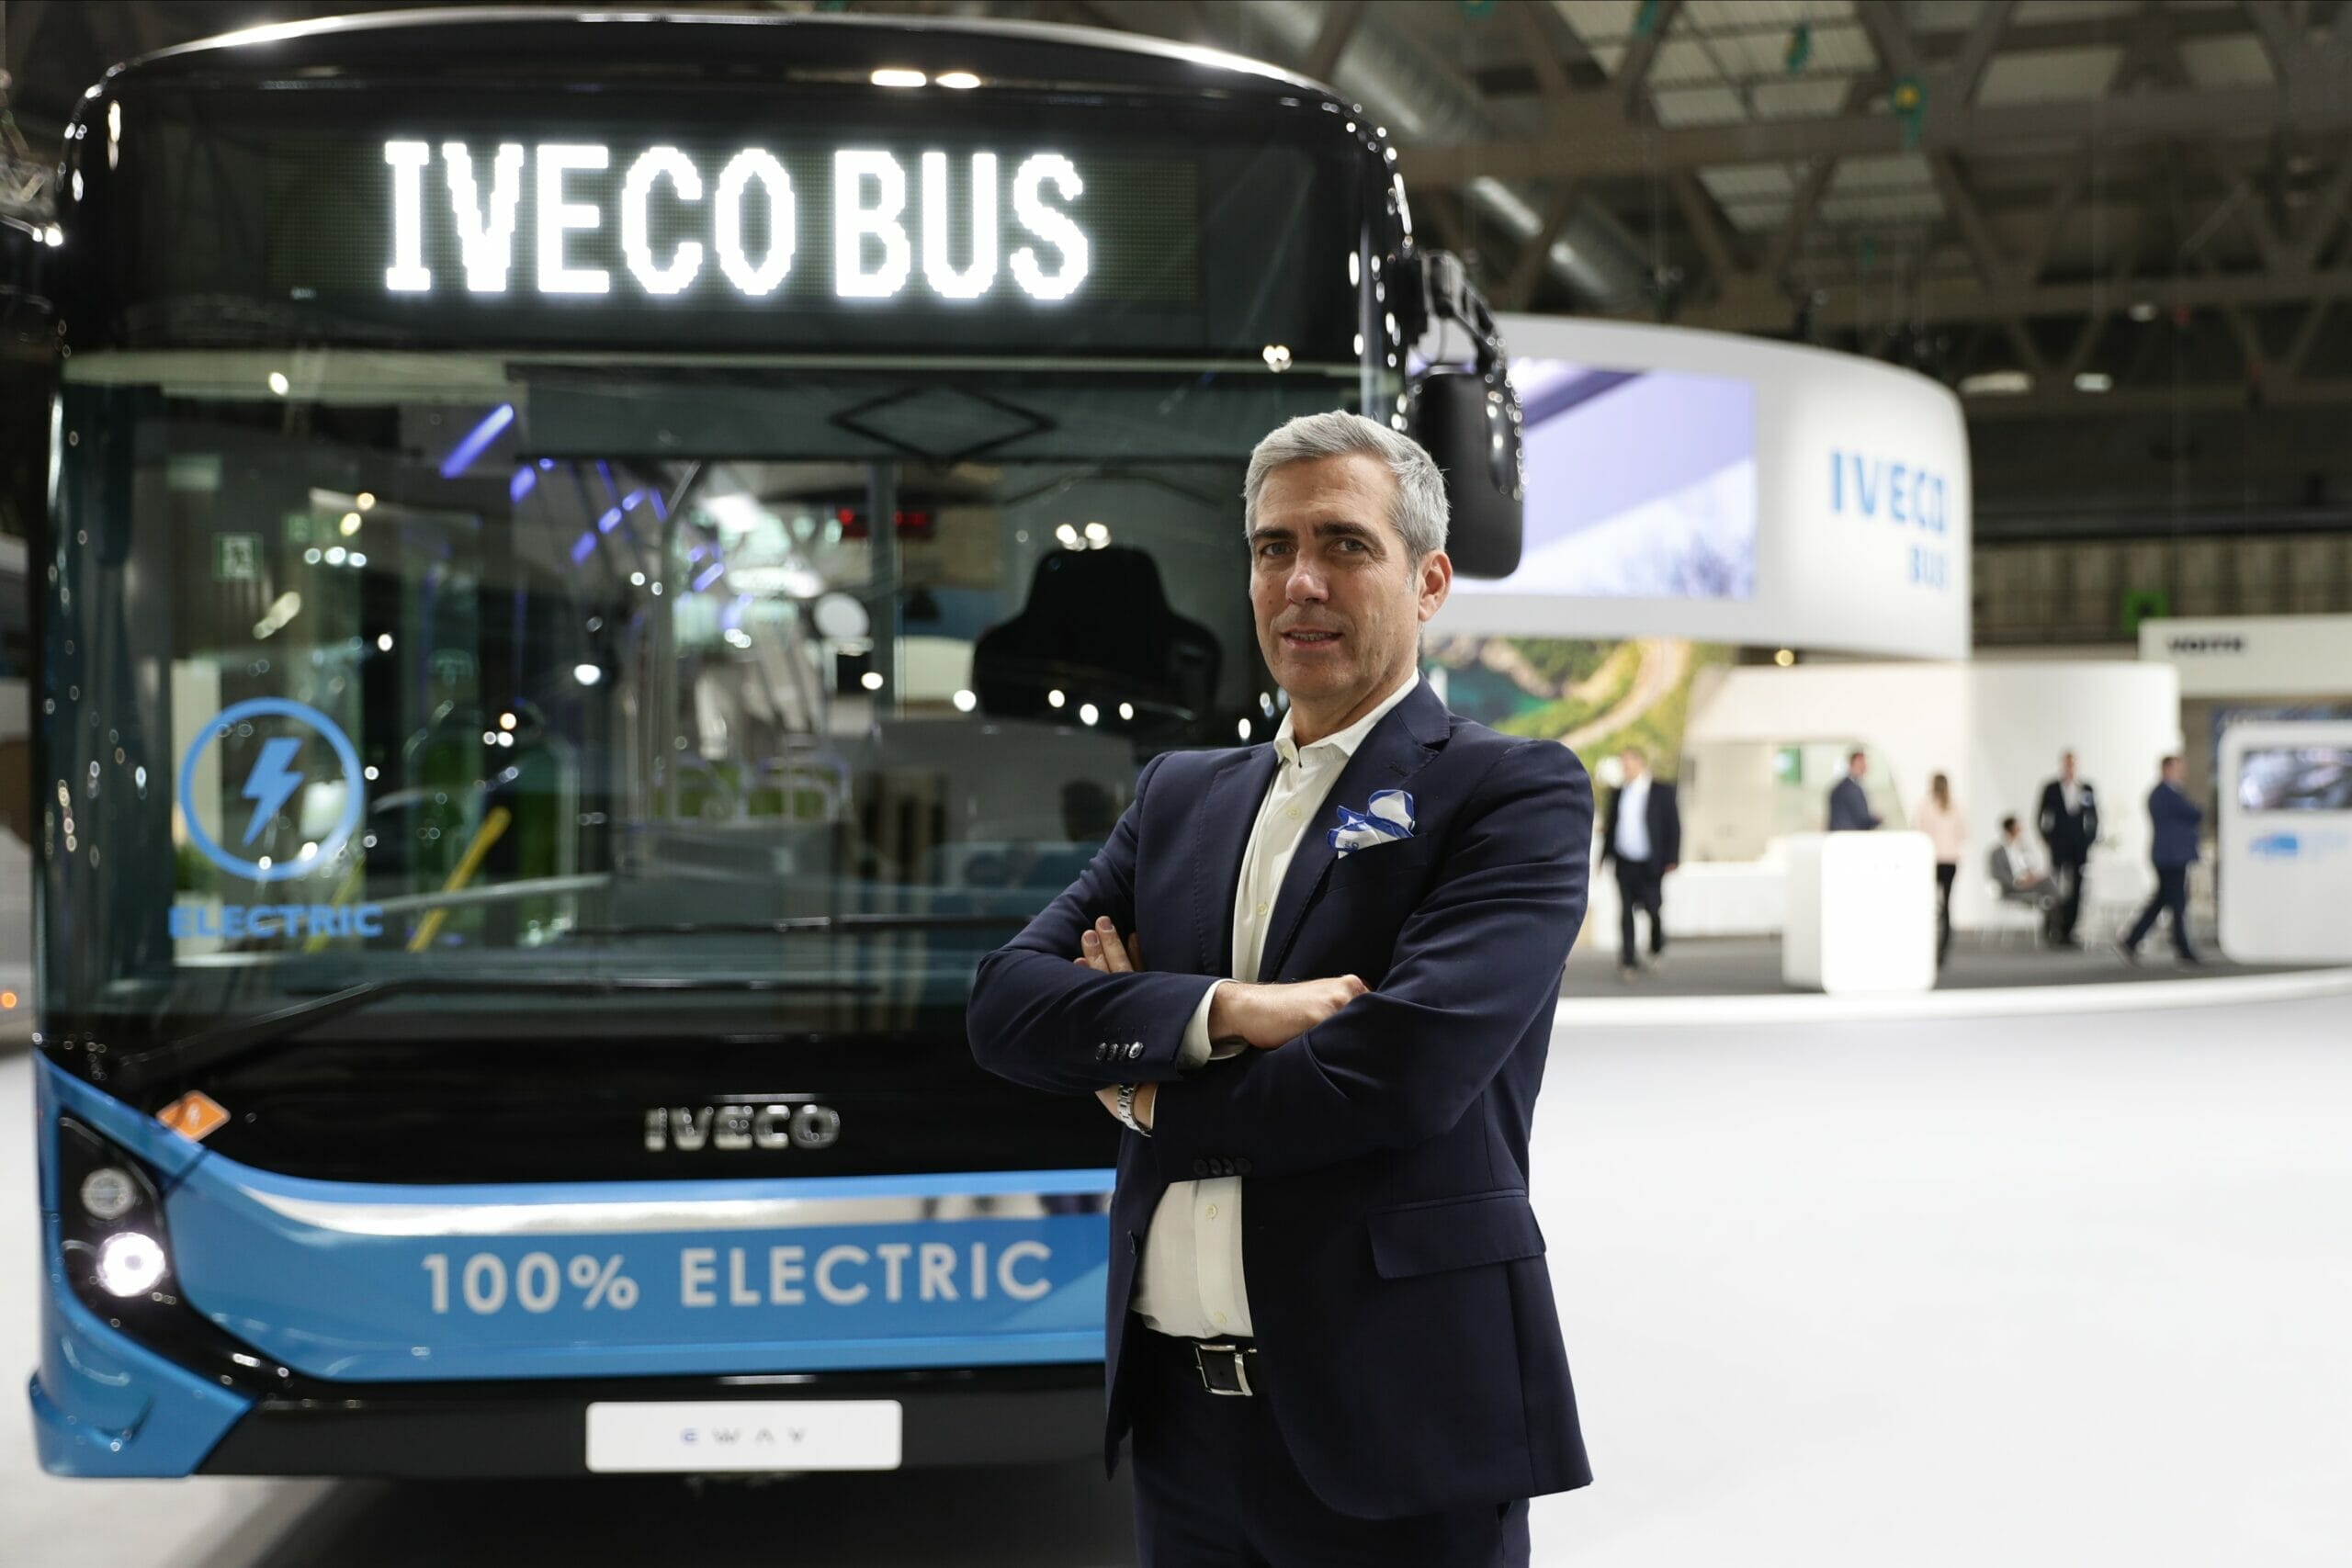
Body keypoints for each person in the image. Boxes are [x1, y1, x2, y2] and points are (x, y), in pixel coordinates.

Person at [968, 412, 1592, 1566]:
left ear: (1429, 581)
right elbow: (1007, 1005)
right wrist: (1221, 1013)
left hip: (1400, 1425)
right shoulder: (1179, 798)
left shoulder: (1510, 793)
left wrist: (1141, 1090)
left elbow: (1398, 1075)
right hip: (1181, 1432)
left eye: (1345, 545)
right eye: (1273, 548)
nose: (1301, 581)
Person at [1599, 744, 1679, 979]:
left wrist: (1672, 858)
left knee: (1653, 908)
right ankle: (1628, 959)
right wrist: (1603, 858)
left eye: (1630, 763)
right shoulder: (1617, 794)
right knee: (1625, 911)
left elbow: (1673, 826)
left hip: (1651, 862)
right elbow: (1611, 828)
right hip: (1624, 861)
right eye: (1623, 764)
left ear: (1641, 763)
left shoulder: (1661, 791)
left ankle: (1656, 946)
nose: (1627, 768)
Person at [2122, 754, 2204, 964]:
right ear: (2167, 769)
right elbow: (2193, 813)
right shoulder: (2165, 794)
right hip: (2170, 857)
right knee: (2177, 902)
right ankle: (2182, 947)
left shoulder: (2169, 793)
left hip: (2172, 855)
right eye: (2178, 767)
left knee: (2163, 900)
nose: (2182, 771)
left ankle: (2132, 939)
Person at [2036, 750, 2098, 947]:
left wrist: (2089, 840)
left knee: (2077, 888)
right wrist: (2048, 839)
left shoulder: (2086, 788)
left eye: (2073, 764)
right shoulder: (2051, 788)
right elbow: (2040, 816)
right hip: (2059, 845)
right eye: (2067, 763)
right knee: (2055, 887)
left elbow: (2093, 817)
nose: (2070, 767)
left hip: (2078, 847)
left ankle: (2070, 929)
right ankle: (2052, 926)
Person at [1915, 771, 1966, 965]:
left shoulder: (1926, 806)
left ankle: (1929, 945)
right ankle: (1943, 948)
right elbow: (1963, 833)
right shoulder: (1955, 806)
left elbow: (1919, 831)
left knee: (1930, 903)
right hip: (1950, 860)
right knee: (1946, 904)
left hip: (1932, 860)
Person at [1988, 815, 2056, 915]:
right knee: (2047, 895)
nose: (2020, 830)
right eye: (2018, 827)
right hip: (2011, 886)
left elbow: (2029, 866)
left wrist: (2031, 876)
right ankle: (2052, 909)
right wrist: (2017, 882)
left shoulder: (2022, 849)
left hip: (2027, 883)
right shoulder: (1997, 853)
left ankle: (2052, 908)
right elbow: (1997, 874)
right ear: (2011, 829)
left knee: (2047, 881)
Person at [1826, 749, 1880, 830]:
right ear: (1853, 763)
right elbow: (1862, 818)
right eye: (1862, 763)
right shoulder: (1848, 788)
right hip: (1848, 834)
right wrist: (1877, 820)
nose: (1865, 766)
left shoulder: (1848, 786)